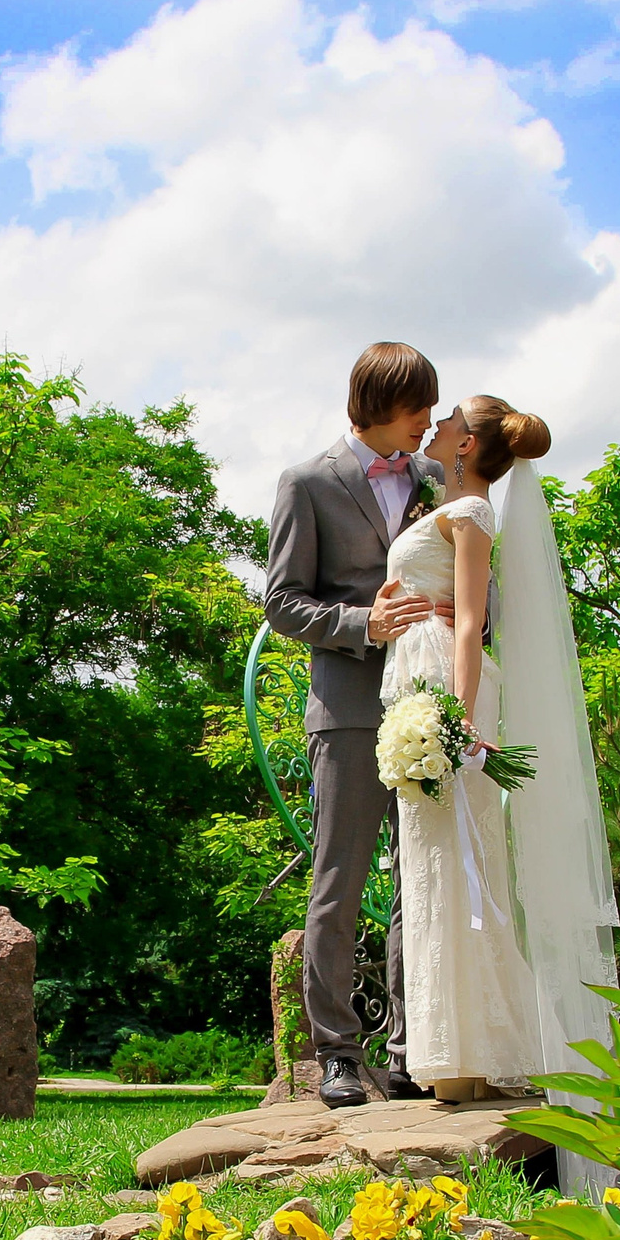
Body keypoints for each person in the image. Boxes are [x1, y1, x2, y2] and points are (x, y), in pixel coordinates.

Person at [382, 395, 620, 1116]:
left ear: (467, 445)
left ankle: (475, 1054)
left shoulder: (474, 514)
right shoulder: (445, 509)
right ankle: (460, 1055)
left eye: (451, 416)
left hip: (445, 700)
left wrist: (453, 718)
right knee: (436, 870)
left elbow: (472, 624)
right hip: (417, 684)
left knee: (463, 869)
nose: (439, 422)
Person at [263, 344, 444, 1109]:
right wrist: (363, 621)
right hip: (346, 709)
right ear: (375, 407)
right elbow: (280, 601)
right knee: (339, 878)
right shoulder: (306, 482)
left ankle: (408, 1049)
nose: (430, 425)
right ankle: (337, 1052)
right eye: (418, 411)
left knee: (418, 880)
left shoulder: (434, 481)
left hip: (429, 703)